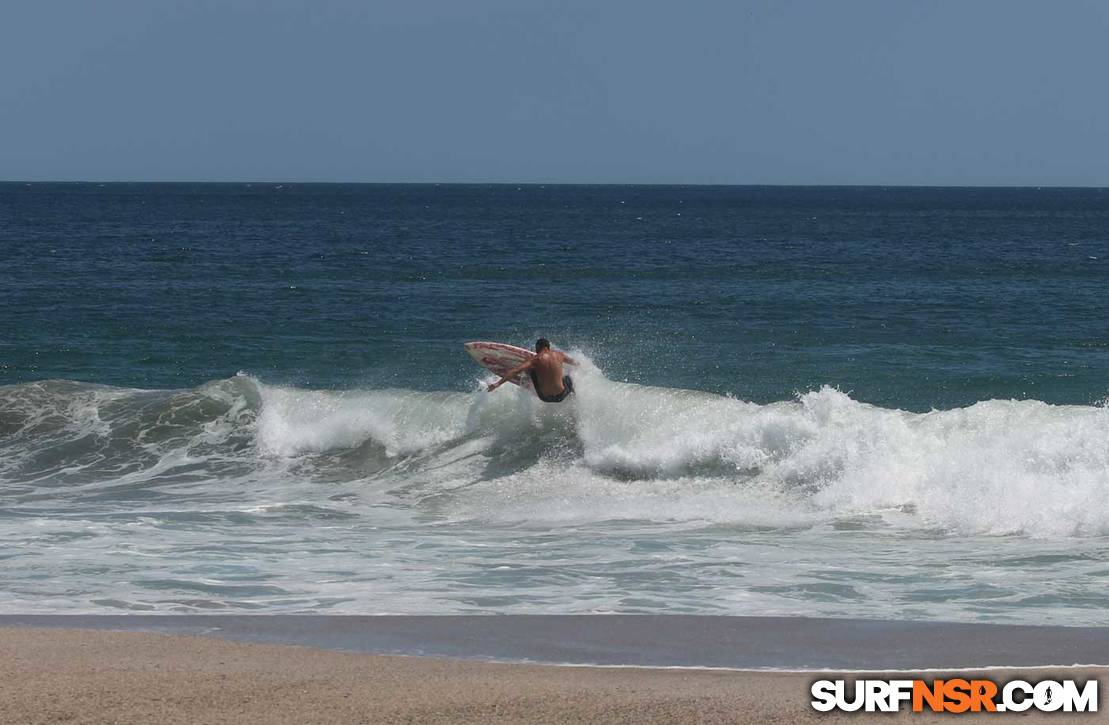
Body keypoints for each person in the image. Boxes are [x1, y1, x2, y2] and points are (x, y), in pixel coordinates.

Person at [487, 338, 577, 403]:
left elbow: (515, 371)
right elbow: (575, 363)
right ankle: (573, 396)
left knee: (532, 370)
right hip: (561, 396)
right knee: (568, 377)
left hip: (545, 397)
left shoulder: (535, 359)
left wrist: (497, 384)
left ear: (538, 347)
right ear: (548, 347)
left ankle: (528, 378)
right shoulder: (560, 355)